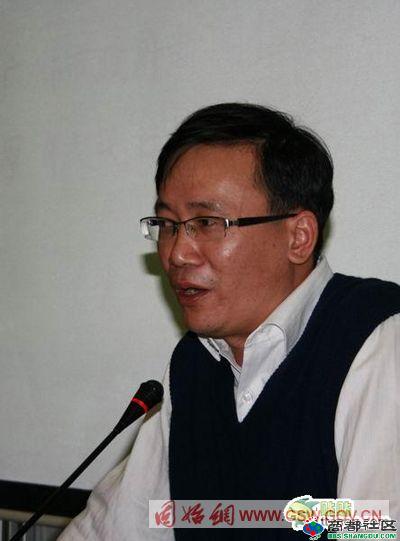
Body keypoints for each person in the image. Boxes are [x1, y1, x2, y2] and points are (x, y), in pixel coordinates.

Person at [59, 103, 400, 540]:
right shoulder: (194, 364)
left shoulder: (376, 339)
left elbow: (377, 529)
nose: (177, 253)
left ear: (298, 236)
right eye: (168, 224)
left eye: (206, 222)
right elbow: (118, 526)